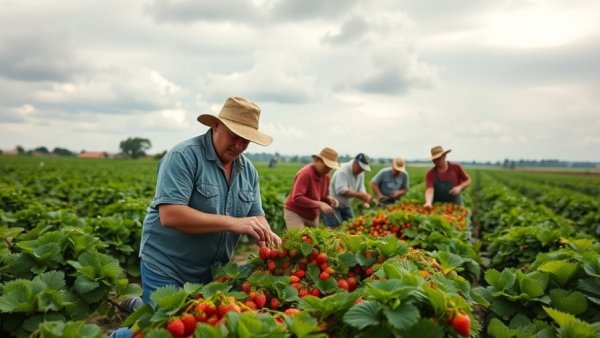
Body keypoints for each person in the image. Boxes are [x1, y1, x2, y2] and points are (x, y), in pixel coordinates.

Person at [283, 147, 340, 229]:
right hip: (295, 213)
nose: (328, 170)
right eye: (326, 166)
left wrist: (329, 200)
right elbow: (297, 198)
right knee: (299, 239)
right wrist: (320, 204)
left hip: (312, 216)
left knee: (313, 240)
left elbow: (322, 197)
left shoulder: (325, 177)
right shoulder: (306, 173)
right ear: (317, 160)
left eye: (330, 168)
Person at [323, 153, 373, 227]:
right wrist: (360, 195)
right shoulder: (342, 171)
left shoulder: (360, 172)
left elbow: (361, 188)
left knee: (352, 226)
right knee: (334, 228)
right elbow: (341, 190)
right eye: (361, 168)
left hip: (346, 204)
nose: (362, 171)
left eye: (363, 169)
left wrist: (365, 197)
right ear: (355, 163)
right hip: (333, 204)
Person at [423, 145, 471, 210]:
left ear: (444, 156)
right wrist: (428, 202)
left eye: (438, 158)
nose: (436, 161)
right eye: (434, 159)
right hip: (438, 207)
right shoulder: (430, 173)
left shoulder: (456, 167)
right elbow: (429, 190)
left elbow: (468, 180)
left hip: (455, 206)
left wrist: (459, 187)